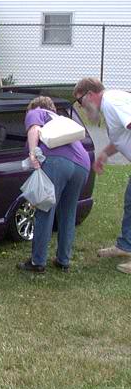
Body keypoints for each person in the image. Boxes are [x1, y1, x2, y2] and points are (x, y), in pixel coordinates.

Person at [18, 96, 90, 273]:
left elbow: (34, 129)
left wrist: (33, 154)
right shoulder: (60, 119)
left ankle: (37, 262)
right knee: (68, 212)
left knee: (45, 209)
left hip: (57, 162)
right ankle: (63, 260)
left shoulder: (37, 111)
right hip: (82, 165)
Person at [73, 77, 131, 273]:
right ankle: (125, 246)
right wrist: (104, 154)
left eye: (80, 101)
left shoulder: (112, 102)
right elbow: (122, 137)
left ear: (90, 94)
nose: (81, 107)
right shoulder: (109, 105)